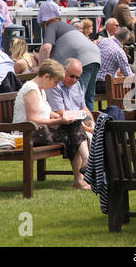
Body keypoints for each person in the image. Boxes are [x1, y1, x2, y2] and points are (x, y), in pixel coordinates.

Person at [12, 59, 90, 190]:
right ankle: (83, 172)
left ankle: (82, 174)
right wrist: (59, 120)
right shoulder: (31, 89)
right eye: (55, 82)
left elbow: (48, 113)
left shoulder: (40, 89)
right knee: (73, 131)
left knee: (74, 129)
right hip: (26, 134)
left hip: (39, 132)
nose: (55, 86)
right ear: (46, 76)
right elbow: (33, 120)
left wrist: (64, 117)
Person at [38, 19, 101, 111]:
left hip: (82, 58)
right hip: (95, 56)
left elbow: (46, 48)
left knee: (79, 99)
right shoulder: (67, 27)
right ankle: (90, 122)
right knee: (89, 97)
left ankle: (80, 123)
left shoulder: (51, 26)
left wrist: (41, 69)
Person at [45, 58, 95, 147]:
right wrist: (87, 128)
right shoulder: (55, 85)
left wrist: (90, 123)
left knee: (103, 134)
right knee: (88, 136)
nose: (74, 80)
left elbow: (84, 108)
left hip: (78, 124)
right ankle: (87, 161)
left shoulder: (77, 85)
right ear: (64, 70)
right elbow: (61, 113)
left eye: (77, 77)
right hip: (64, 126)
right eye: (72, 76)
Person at [95, 27, 134, 94]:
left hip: (93, 82)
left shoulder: (104, 40)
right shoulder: (119, 52)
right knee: (135, 84)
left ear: (115, 33)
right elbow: (128, 75)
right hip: (105, 85)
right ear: (127, 39)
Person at [112, 0, 136, 64]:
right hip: (127, 39)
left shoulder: (117, 6)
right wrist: (134, 20)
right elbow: (129, 25)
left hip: (120, 37)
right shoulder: (124, 8)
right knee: (129, 62)